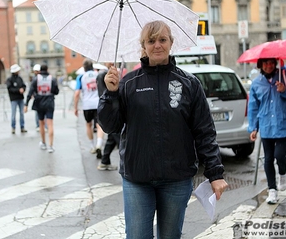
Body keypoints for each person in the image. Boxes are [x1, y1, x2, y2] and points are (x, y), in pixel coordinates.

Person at [97, 20, 228, 238]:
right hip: (137, 178)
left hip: (177, 179)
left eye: (162, 40)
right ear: (143, 46)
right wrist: (110, 94)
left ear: (170, 43)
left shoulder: (189, 83)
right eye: (151, 41)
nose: (157, 45)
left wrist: (215, 173)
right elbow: (110, 125)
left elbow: (204, 132)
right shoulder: (128, 84)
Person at [248, 58, 286, 204]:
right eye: (265, 63)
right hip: (266, 126)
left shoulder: (285, 76)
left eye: (271, 63)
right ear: (260, 65)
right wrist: (253, 128)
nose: (268, 66)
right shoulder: (256, 83)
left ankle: (283, 174)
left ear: (275, 63)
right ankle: (272, 190)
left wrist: (285, 90)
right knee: (268, 159)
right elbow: (253, 108)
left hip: (283, 124)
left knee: (280, 155)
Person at [24, 64, 59, 153]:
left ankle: (43, 143)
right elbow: (56, 91)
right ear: (47, 69)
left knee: (41, 124)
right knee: (50, 124)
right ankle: (51, 145)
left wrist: (26, 104)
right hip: (50, 103)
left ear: (40, 70)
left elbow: (30, 91)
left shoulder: (36, 79)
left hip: (39, 102)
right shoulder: (52, 79)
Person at [74, 59, 104, 159]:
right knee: (99, 125)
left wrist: (75, 107)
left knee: (88, 125)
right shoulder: (98, 74)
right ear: (92, 66)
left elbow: (77, 93)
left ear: (84, 67)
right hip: (98, 103)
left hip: (87, 105)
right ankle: (99, 144)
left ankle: (92, 146)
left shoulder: (81, 77)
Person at [96, 62, 118, 171]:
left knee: (112, 138)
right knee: (118, 138)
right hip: (111, 109)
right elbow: (103, 93)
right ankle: (105, 161)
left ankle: (105, 161)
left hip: (115, 109)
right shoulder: (102, 75)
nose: (113, 62)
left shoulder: (112, 74)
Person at [6, 64, 27, 134]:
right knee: (13, 114)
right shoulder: (10, 80)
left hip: (20, 98)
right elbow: (10, 88)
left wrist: (23, 89)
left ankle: (22, 126)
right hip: (14, 99)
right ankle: (13, 127)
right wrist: (18, 90)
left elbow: (24, 86)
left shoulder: (20, 78)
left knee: (22, 113)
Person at [32, 64, 47, 132]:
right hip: (37, 97)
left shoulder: (42, 78)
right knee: (37, 113)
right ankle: (38, 125)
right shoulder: (34, 79)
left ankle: (45, 126)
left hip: (43, 97)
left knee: (45, 113)